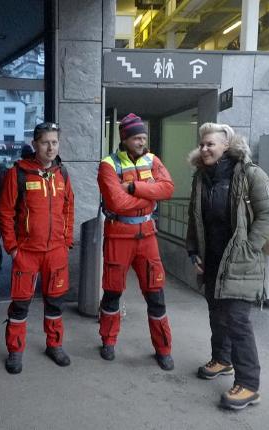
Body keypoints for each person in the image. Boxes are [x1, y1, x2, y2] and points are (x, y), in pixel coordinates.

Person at [186, 122, 269, 410]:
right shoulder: (202, 177)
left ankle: (249, 385)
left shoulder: (250, 174)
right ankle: (222, 359)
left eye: (210, 144)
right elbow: (195, 216)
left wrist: (249, 247)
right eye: (202, 144)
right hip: (213, 258)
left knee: (238, 321)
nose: (204, 149)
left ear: (227, 145)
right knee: (217, 312)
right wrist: (193, 251)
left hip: (240, 260)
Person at [97, 113, 175, 370]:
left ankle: (163, 349)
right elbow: (116, 203)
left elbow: (168, 189)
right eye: (137, 138)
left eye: (144, 137)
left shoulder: (153, 160)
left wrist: (132, 188)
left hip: (147, 237)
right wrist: (150, 195)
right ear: (125, 138)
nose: (142, 142)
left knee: (156, 295)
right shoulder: (108, 165)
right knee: (112, 293)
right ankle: (108, 341)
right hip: (118, 235)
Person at [0, 122, 75, 374]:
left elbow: (68, 209)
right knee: (20, 305)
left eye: (54, 142)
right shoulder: (18, 173)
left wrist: (66, 241)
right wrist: (12, 247)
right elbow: (6, 212)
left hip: (56, 253)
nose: (50, 147)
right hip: (27, 253)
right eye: (45, 142)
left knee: (55, 303)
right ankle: (15, 350)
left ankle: (54, 345)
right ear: (35, 144)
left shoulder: (62, 173)